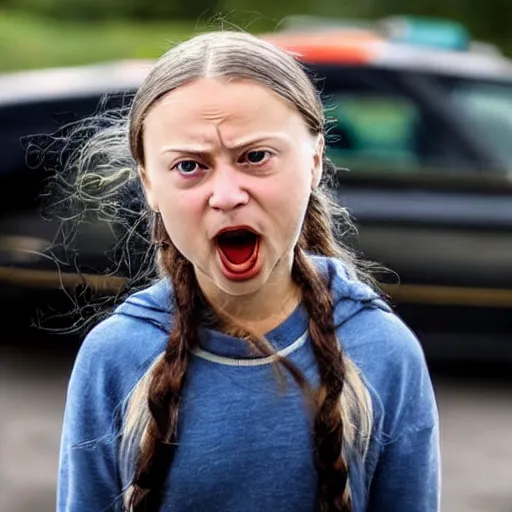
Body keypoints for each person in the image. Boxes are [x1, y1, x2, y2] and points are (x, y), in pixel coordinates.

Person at [57, 30, 440, 512]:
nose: (226, 195)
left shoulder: (382, 351)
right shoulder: (115, 356)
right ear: (149, 183)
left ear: (316, 160)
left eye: (255, 157)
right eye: (191, 166)